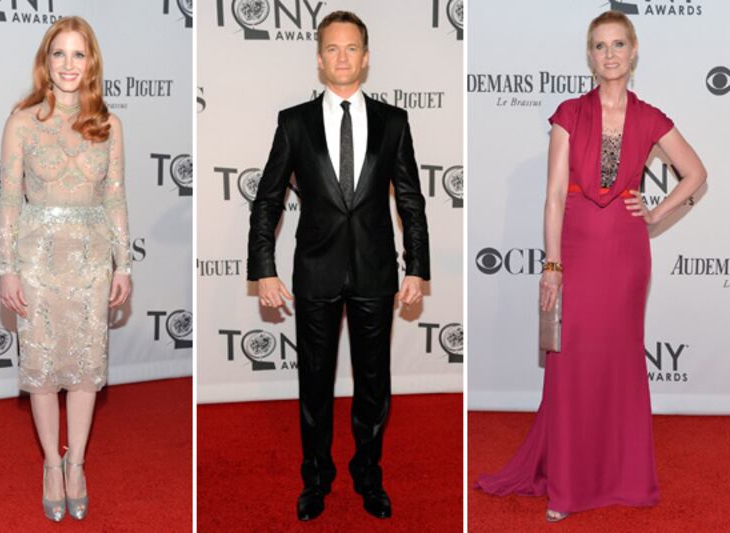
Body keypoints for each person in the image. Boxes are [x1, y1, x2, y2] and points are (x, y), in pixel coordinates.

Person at [475, 10, 706, 522]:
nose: (610, 54)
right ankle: (568, 485)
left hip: (626, 254)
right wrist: (552, 264)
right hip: (576, 250)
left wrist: (656, 212)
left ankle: (623, 477)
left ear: (634, 51)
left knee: (620, 363)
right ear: (590, 56)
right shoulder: (570, 114)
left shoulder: (650, 117)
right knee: (572, 365)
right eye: (600, 46)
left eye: (618, 44)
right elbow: (555, 195)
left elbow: (696, 173)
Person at [246, 10, 430, 521]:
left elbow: (410, 201)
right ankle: (316, 477)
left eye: (351, 48)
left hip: (376, 271)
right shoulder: (294, 122)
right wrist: (264, 268)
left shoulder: (394, 121)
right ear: (319, 59)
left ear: (365, 58)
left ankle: (368, 473)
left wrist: (416, 266)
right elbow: (268, 200)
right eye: (332, 48)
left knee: (374, 383)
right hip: (316, 270)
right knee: (314, 384)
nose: (342, 57)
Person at [0, 16, 132, 522]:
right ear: (45, 61)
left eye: (79, 54)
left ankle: (77, 465)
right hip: (36, 259)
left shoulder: (109, 125)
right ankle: (51, 467)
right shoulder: (22, 122)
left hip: (92, 261)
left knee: (85, 371)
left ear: (91, 62)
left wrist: (124, 264)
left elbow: (115, 199)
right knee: (41, 373)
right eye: (59, 53)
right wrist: (7, 269)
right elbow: (9, 200)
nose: (68, 64)